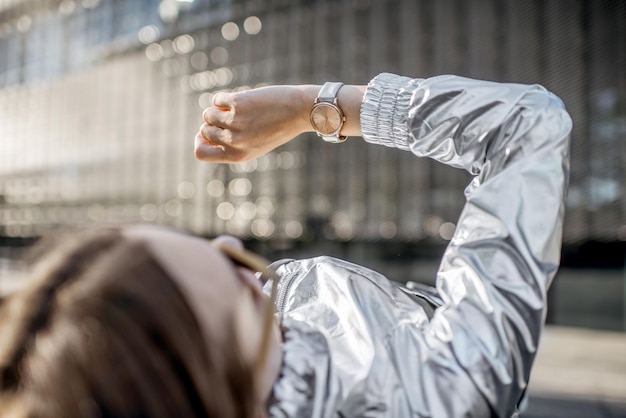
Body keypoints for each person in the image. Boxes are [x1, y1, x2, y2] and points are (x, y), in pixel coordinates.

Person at [0, 72, 571, 417]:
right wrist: (318, 106)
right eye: (232, 273)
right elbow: (526, 126)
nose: (228, 242)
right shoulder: (439, 397)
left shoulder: (249, 369)